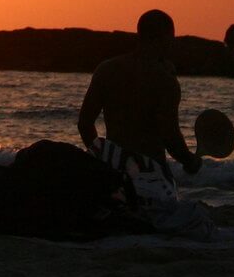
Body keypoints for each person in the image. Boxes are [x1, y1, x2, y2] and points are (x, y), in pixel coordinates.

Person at [77, 10, 201, 178]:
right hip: (153, 173)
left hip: (114, 172)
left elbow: (85, 123)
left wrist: (102, 160)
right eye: (172, 37)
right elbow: (169, 134)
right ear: (164, 38)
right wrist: (190, 161)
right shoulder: (165, 81)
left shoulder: (107, 70)